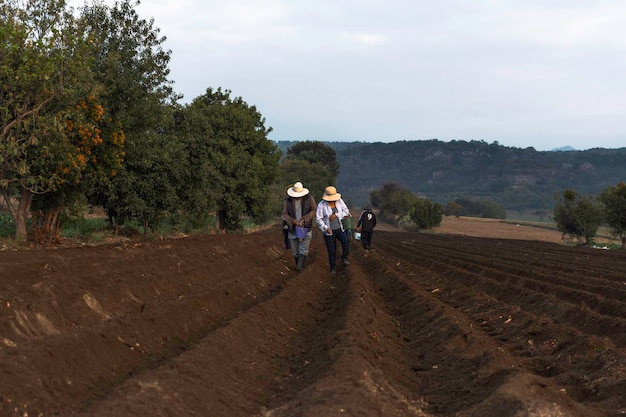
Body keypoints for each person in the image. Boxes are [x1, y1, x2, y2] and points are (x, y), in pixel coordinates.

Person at [316, 186, 351, 273]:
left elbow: (346, 211)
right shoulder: (321, 205)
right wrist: (325, 227)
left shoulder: (339, 201)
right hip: (329, 231)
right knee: (332, 250)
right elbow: (318, 219)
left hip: (340, 228)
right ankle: (333, 267)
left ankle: (344, 257)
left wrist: (336, 215)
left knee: (345, 241)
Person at [283, 181, 317, 271]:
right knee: (295, 250)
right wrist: (292, 221)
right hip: (293, 228)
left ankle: (300, 266)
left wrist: (306, 217)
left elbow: (314, 210)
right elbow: (285, 214)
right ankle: (298, 264)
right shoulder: (288, 201)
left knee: (303, 247)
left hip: (305, 226)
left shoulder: (309, 199)